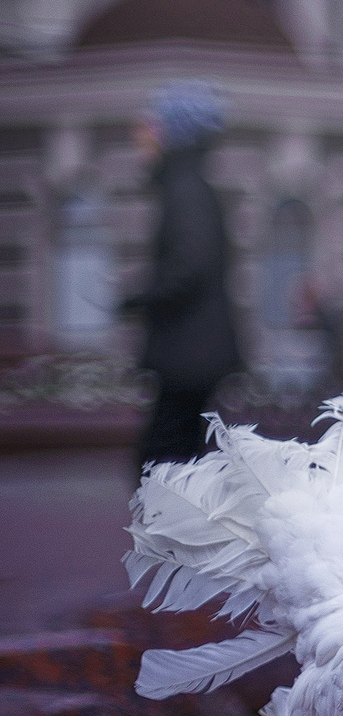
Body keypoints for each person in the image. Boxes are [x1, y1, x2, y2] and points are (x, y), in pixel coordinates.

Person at [124, 81, 244, 472]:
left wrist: (142, 298)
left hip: (188, 357)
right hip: (195, 355)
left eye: (150, 124)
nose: (139, 133)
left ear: (174, 133)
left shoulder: (185, 190)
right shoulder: (189, 186)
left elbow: (190, 265)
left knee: (162, 465)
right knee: (179, 461)